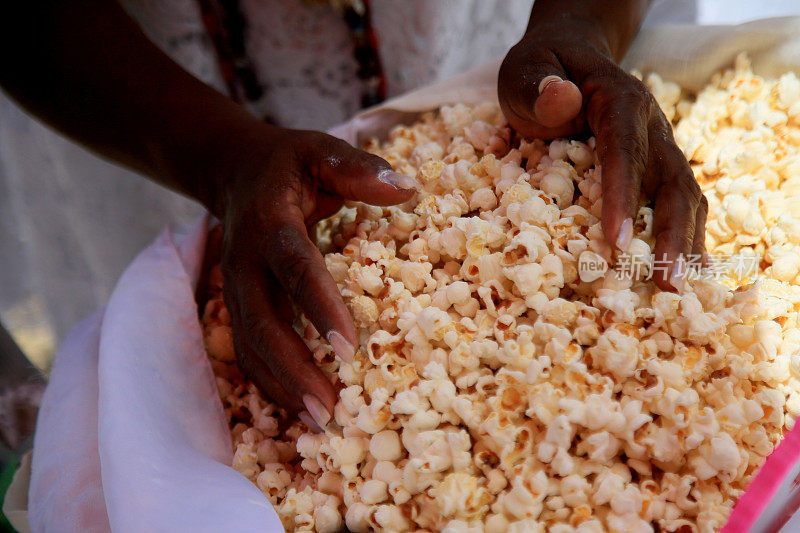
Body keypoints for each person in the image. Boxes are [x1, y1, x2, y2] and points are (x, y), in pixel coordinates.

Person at [0, 0, 707, 430]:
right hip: (145, 90)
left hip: (475, 49)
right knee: (181, 342)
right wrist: (218, 158)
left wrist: (576, 24)